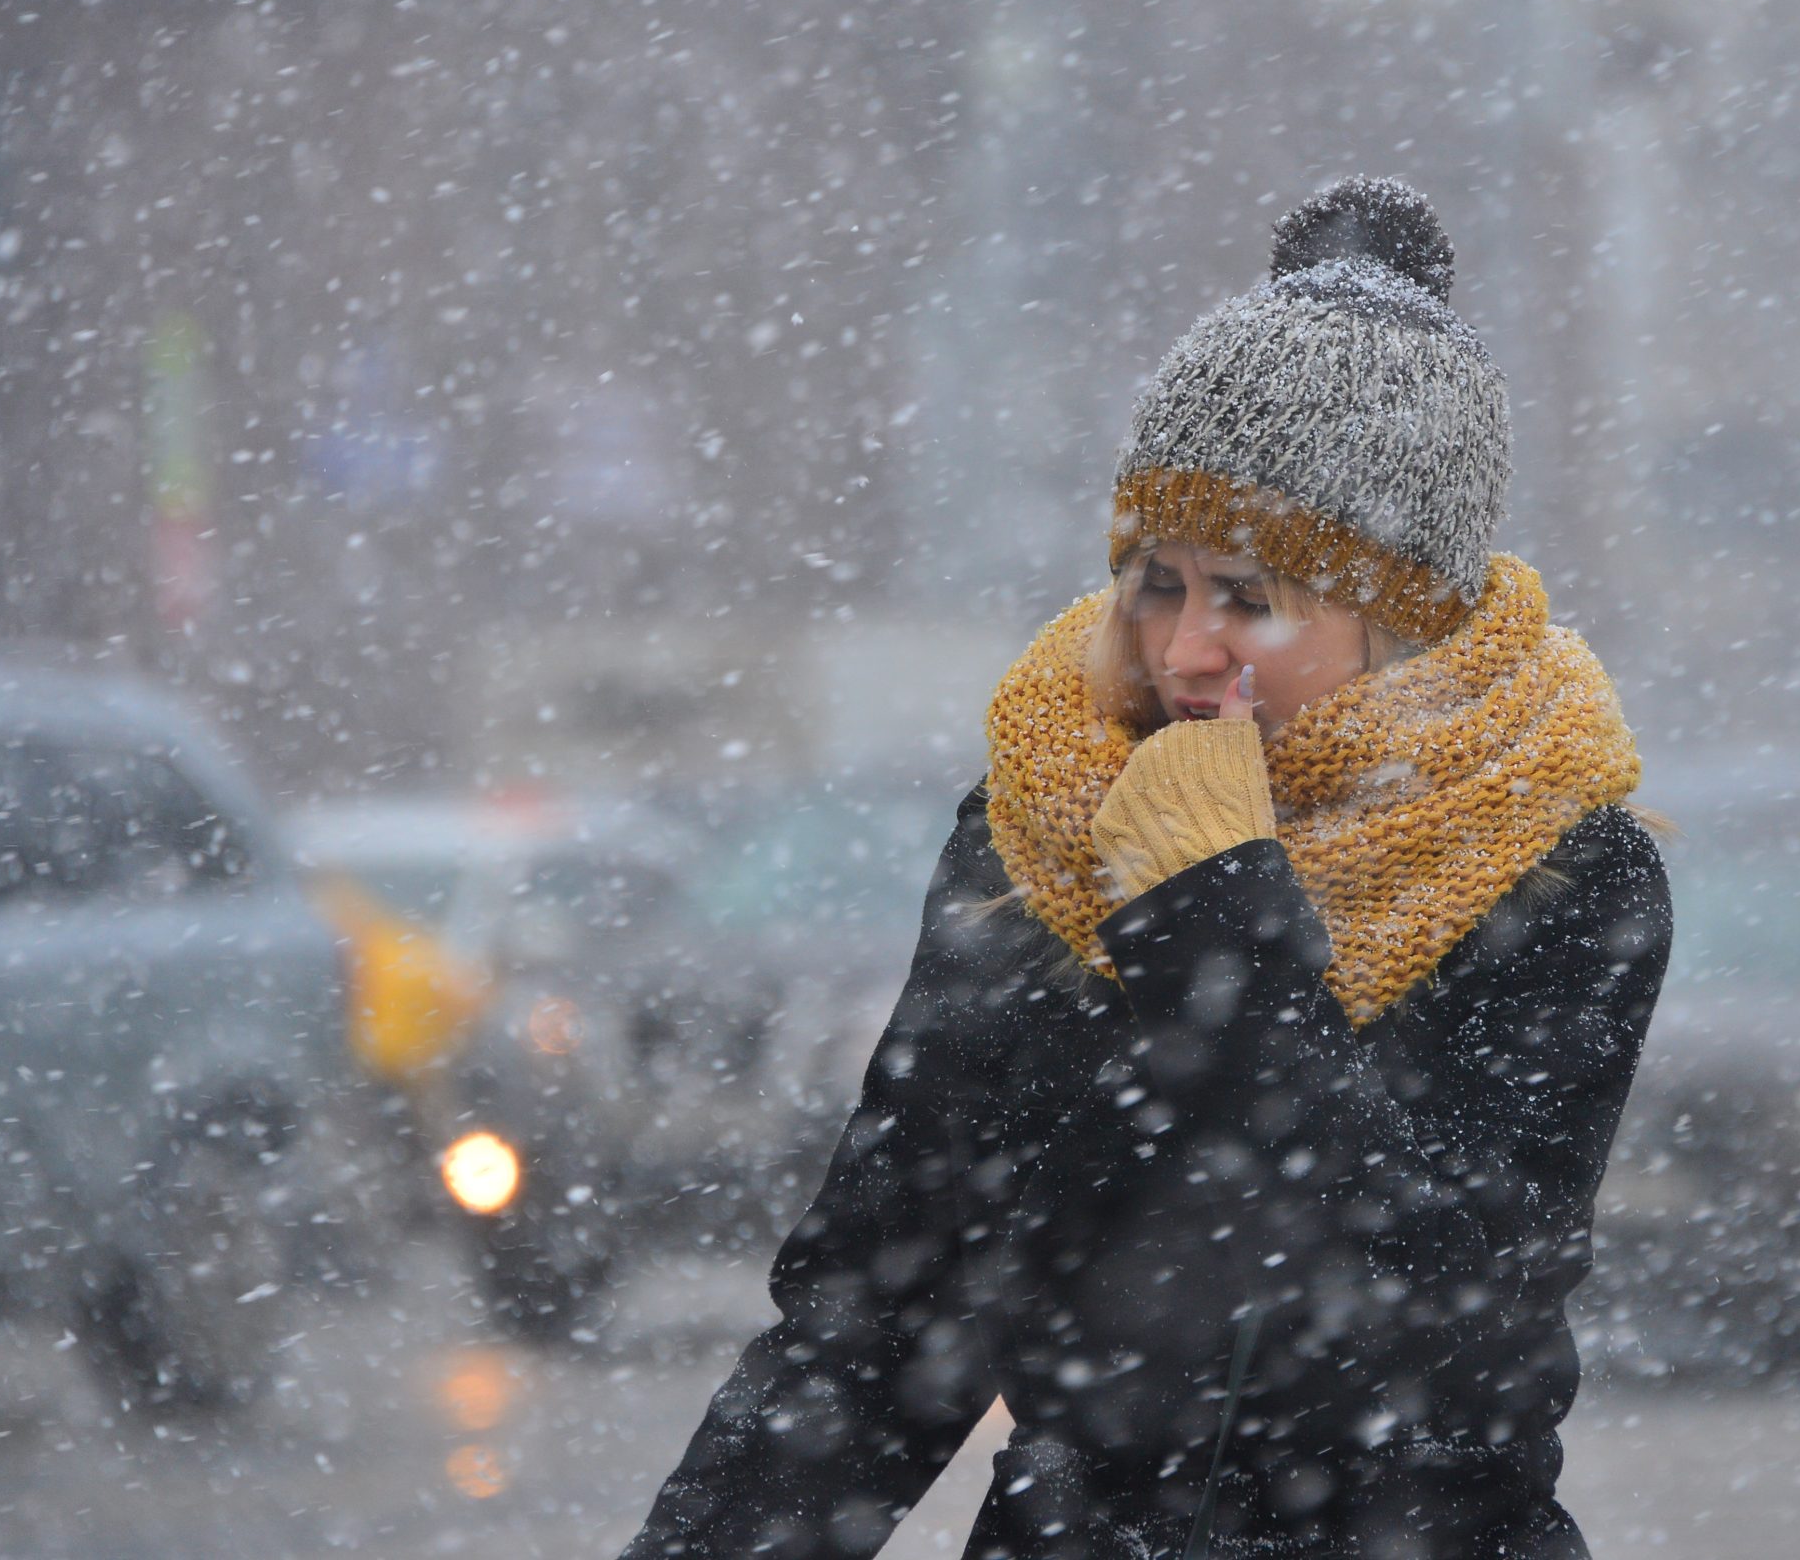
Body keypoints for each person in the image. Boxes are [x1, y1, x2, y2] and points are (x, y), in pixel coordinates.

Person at [618, 176, 1671, 1560]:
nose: (1186, 646)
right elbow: (884, 1313)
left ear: (1398, 616)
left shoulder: (1555, 859)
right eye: (1159, 582)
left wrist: (1218, 906)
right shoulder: (1043, 829)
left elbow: (1431, 1302)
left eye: (1251, 597)